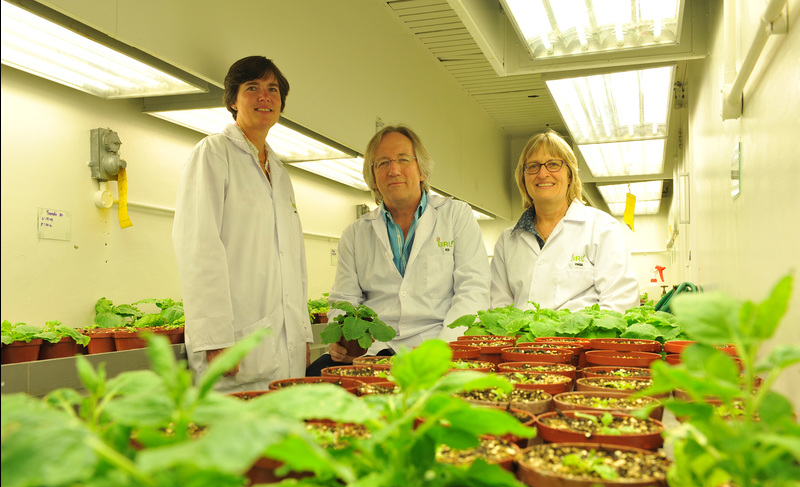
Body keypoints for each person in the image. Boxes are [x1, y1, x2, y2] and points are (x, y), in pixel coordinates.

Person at [172, 56, 311, 392]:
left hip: (285, 344)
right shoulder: (214, 154)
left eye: (272, 89)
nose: (264, 96)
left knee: (281, 437)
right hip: (233, 344)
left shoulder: (280, 172)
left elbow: (294, 260)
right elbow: (198, 247)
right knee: (236, 438)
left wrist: (302, 332)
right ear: (233, 101)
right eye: (253, 88)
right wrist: (214, 338)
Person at [306, 125, 490, 375]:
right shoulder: (356, 233)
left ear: (421, 170)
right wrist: (344, 340)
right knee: (317, 374)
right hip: (375, 353)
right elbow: (344, 300)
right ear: (373, 176)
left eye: (403, 159)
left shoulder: (456, 216)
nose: (393, 170)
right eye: (382, 163)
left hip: (437, 345)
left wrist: (441, 350)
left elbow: (473, 291)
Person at [490, 129, 639, 313]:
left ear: (569, 175)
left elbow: (620, 302)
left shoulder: (602, 229)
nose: (543, 173)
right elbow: (498, 308)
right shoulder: (507, 241)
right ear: (523, 177)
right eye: (533, 166)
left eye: (553, 164)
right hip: (522, 341)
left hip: (582, 340)